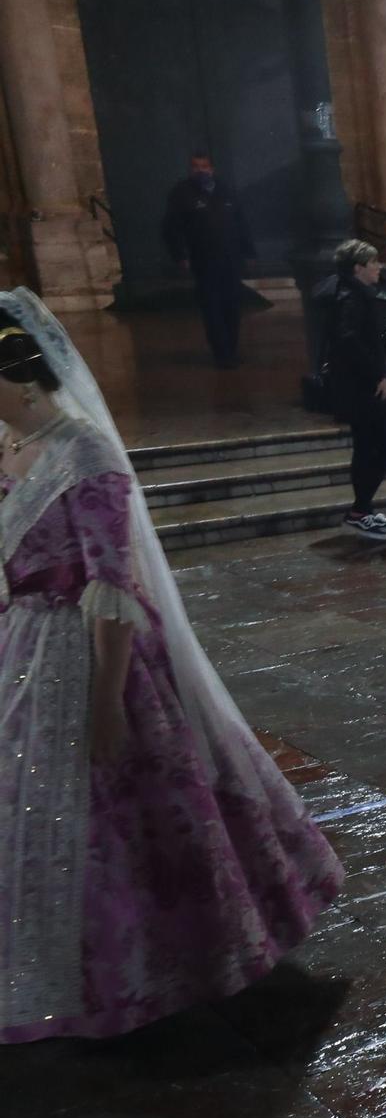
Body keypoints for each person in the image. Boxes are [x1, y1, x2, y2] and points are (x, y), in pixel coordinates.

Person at [0, 289, 343, 1044]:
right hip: (21, 643)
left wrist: (107, 699)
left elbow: (110, 585)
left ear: (20, 374)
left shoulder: (83, 451)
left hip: (86, 651)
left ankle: (153, 969)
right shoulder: (8, 444)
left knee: (129, 818)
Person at [321, 240, 386, 541]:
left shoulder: (358, 293)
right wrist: (376, 375)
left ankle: (363, 510)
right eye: (372, 263)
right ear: (358, 268)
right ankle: (359, 512)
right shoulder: (350, 298)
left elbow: (373, 328)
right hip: (362, 388)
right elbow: (348, 340)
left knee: (368, 447)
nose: (378, 267)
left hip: (360, 386)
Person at [162, 152, 253, 368]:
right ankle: (222, 354)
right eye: (195, 166)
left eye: (204, 166)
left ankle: (231, 349)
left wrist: (249, 252)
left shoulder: (225, 191)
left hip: (230, 260)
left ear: (212, 168)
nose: (200, 170)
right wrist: (180, 255)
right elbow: (171, 228)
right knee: (212, 307)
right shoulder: (181, 193)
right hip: (203, 260)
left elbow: (241, 223)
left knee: (231, 306)